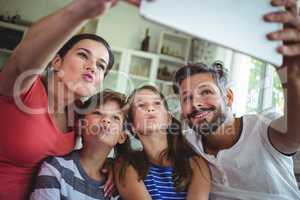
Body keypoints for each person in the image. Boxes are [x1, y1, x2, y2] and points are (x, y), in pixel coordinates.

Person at [0, 0, 141, 199]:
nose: (92, 67)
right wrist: (80, 11)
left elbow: (104, 141)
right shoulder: (23, 88)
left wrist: (113, 164)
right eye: (84, 55)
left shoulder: (81, 112)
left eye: (101, 66)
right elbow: (22, 61)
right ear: (57, 61)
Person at [172, 0, 300, 199]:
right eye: (186, 98)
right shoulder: (190, 141)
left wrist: (290, 74)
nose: (195, 104)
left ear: (228, 97)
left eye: (205, 92)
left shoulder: (263, 128)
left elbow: (295, 132)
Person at [114, 85, 211, 200]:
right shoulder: (125, 165)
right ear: (132, 126)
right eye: (141, 105)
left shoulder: (196, 164)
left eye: (157, 103)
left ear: (168, 119)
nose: (150, 108)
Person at [30, 90, 128, 200]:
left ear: (122, 137)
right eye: (97, 113)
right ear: (81, 125)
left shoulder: (118, 186)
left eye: (115, 118)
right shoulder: (55, 168)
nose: (106, 120)